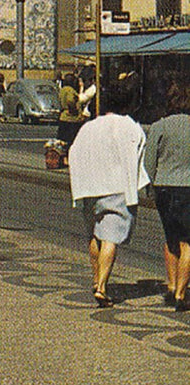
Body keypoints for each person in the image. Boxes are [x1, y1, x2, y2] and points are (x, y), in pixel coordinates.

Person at [68, 74, 149, 307]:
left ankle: (95, 279)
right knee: (111, 237)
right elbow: (137, 158)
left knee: (94, 234)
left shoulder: (88, 127)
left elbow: (75, 154)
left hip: (89, 187)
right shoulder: (130, 127)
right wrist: (139, 186)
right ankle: (103, 286)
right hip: (117, 187)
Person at [143, 81, 190, 312]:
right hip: (188, 188)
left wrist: (151, 184)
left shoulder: (159, 126)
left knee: (171, 238)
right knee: (188, 241)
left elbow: (148, 160)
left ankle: (171, 286)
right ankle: (182, 293)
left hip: (163, 187)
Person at [58, 73, 88, 147]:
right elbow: (70, 100)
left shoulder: (62, 90)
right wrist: (73, 109)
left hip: (63, 117)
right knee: (71, 141)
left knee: (62, 141)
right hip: (71, 119)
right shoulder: (70, 90)